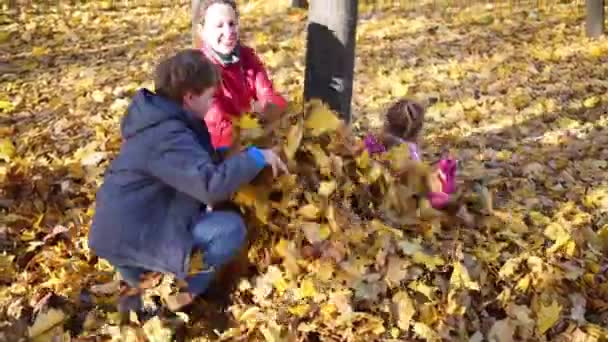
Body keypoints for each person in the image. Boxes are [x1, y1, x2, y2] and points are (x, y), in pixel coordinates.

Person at [87, 49, 288, 314]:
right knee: (229, 228)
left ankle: (142, 294)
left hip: (134, 229)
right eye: (210, 97)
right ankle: (179, 297)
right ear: (190, 97)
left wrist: (235, 150)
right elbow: (210, 187)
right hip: (133, 239)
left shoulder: (165, 121)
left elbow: (193, 163)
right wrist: (255, 157)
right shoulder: (167, 135)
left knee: (142, 302)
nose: (213, 104)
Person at [191, 0, 288, 149]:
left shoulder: (246, 56)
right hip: (216, 151)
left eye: (231, 24)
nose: (229, 32)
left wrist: (267, 115)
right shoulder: (200, 70)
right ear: (202, 31)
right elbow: (218, 130)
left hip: (250, 135)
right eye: (219, 26)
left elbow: (271, 98)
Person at [363, 98, 458, 210]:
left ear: (386, 122)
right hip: (400, 202)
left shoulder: (371, 142)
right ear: (418, 131)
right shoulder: (411, 152)